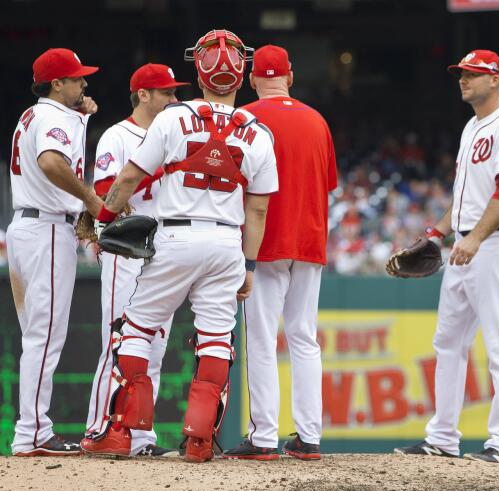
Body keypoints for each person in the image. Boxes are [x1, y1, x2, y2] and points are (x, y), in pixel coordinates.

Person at [80, 29, 278, 463]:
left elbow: (129, 178)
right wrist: (249, 266)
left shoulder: (172, 118)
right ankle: (200, 440)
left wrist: (105, 218)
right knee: (214, 339)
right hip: (227, 242)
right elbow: (259, 211)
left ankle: (121, 432)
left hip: (175, 235)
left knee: (134, 330)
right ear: (241, 77)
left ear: (200, 73)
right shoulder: (260, 133)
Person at [394, 50, 499, 464]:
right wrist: (437, 232)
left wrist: (475, 239)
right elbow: (462, 199)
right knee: (448, 341)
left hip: (498, 242)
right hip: (467, 243)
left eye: (473, 74)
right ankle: (442, 437)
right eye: (461, 73)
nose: (463, 79)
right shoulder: (472, 127)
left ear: (495, 79)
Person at [222, 45, 337, 461]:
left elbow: (233, 184)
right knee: (305, 338)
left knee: (262, 339)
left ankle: (264, 436)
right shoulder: (317, 120)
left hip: (264, 242)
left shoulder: (244, 119)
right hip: (309, 240)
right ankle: (309, 437)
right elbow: (327, 185)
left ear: (252, 79)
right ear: (290, 77)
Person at [83, 63, 189, 458]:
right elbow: (108, 188)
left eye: (175, 93)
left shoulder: (174, 135)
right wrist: (157, 170)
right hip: (126, 247)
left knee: (155, 347)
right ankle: (99, 428)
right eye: (165, 93)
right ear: (143, 95)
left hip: (162, 251)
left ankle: (140, 436)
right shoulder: (118, 135)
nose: (173, 99)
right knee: (118, 340)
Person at [8, 48, 102, 456]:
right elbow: (50, 162)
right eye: (76, 78)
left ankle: (30, 429)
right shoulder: (50, 116)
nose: (84, 83)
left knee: (37, 335)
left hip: (30, 226)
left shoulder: (38, 114)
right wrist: (90, 200)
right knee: (45, 336)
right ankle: (32, 432)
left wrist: (80, 118)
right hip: (46, 228)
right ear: (56, 84)